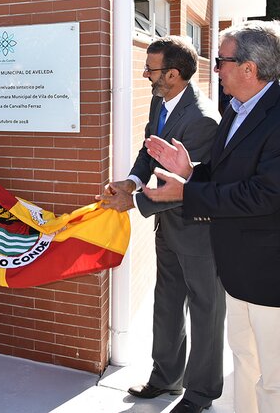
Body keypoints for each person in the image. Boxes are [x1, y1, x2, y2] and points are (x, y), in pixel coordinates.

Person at [144, 20, 280, 413]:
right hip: (235, 268)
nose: (215, 68)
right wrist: (190, 172)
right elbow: (224, 174)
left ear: (249, 69)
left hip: (268, 274)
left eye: (221, 61)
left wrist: (188, 191)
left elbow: (265, 194)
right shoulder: (235, 108)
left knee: (273, 379)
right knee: (245, 361)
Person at [96, 36, 224, 413]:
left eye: (150, 69)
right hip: (168, 228)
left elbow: (184, 187)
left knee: (205, 312)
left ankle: (200, 394)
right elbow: (148, 150)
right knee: (167, 302)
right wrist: (132, 182)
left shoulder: (202, 119)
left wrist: (133, 202)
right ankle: (166, 377)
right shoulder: (160, 100)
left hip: (199, 233)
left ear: (172, 74)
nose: (144, 75)